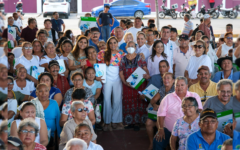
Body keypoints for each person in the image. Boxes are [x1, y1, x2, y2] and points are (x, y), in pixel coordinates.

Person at [153, 76, 203, 150]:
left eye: (182, 85)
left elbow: (200, 111)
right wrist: (160, 129)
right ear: (174, 86)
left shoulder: (194, 96)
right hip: (169, 130)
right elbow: (160, 115)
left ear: (187, 86)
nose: (179, 87)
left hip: (191, 130)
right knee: (157, 140)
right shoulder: (168, 97)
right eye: (177, 85)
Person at [119, 41, 149, 130]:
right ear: (126, 48)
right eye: (129, 46)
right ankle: (129, 122)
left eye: (132, 46)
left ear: (135, 48)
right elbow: (121, 72)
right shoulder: (123, 59)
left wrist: (147, 75)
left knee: (138, 100)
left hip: (139, 84)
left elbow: (145, 68)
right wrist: (125, 82)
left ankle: (138, 122)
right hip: (127, 84)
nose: (131, 48)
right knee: (128, 101)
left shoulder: (140, 57)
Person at [98, 36, 125, 131]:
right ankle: (107, 121)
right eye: (111, 43)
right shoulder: (102, 53)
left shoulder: (121, 53)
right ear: (108, 45)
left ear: (117, 44)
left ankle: (115, 120)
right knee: (106, 99)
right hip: (106, 79)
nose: (113, 44)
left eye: (115, 42)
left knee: (117, 100)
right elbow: (98, 65)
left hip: (118, 79)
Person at [146, 72, 175, 150]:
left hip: (170, 116)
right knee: (148, 122)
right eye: (164, 78)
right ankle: (152, 143)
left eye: (168, 78)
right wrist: (155, 105)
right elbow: (153, 100)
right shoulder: (162, 89)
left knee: (159, 125)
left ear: (173, 80)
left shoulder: (175, 90)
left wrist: (163, 107)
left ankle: (166, 145)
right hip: (161, 114)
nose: (166, 80)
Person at [32, 83, 61, 150]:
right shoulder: (32, 103)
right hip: (35, 133)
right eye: (41, 91)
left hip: (51, 135)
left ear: (49, 93)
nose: (43, 93)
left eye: (46, 91)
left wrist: (60, 137)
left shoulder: (54, 103)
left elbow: (58, 121)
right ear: (36, 93)